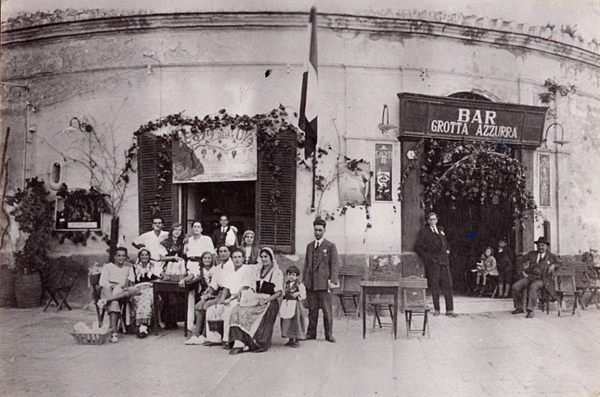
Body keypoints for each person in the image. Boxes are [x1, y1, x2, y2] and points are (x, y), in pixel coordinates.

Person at [228, 247, 284, 354]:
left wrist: (266, 300)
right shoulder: (258, 271)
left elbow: (279, 292)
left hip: (269, 302)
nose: (264, 259)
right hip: (256, 299)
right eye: (262, 257)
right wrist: (243, 292)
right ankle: (238, 341)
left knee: (247, 313)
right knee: (237, 310)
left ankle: (250, 343)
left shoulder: (276, 272)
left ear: (271, 258)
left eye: (266, 257)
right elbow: (252, 287)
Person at [206, 248, 255, 348]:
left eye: (239, 257)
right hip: (232, 298)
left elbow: (245, 288)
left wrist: (231, 299)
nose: (237, 259)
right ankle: (213, 338)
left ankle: (227, 340)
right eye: (235, 257)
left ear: (243, 258)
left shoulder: (247, 269)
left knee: (228, 311)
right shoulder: (231, 270)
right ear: (232, 259)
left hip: (243, 297)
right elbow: (226, 287)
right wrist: (222, 299)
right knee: (211, 310)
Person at [185, 245, 233, 345]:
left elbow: (227, 286)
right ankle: (196, 335)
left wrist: (222, 298)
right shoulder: (218, 268)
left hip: (228, 294)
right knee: (199, 305)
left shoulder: (231, 266)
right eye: (220, 251)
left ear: (229, 253)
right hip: (218, 292)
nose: (223, 253)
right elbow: (213, 285)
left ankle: (203, 335)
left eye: (225, 251)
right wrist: (205, 296)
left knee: (206, 306)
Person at [302, 218, 340, 343]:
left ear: (324, 231)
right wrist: (304, 281)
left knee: (326, 311)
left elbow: (334, 265)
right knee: (312, 310)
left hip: (324, 284)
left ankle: (328, 334)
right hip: (311, 284)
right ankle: (311, 333)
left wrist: (333, 280)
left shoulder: (330, 246)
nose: (317, 232)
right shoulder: (309, 247)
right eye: (316, 230)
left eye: (320, 230)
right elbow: (306, 265)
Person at [414, 212, 458, 317]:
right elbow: (417, 248)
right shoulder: (424, 232)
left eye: (434, 219)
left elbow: (446, 243)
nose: (433, 221)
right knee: (435, 285)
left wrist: (448, 250)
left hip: (444, 261)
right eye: (431, 219)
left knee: (448, 285)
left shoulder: (441, 229)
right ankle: (437, 309)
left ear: (437, 220)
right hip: (433, 263)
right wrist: (429, 258)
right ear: (428, 221)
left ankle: (450, 309)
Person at [511, 237, 561, 318]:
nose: (540, 247)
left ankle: (530, 310)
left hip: (543, 279)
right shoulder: (532, 254)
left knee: (532, 287)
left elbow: (560, 263)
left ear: (546, 246)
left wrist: (554, 265)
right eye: (539, 245)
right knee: (515, 287)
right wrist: (523, 271)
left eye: (543, 245)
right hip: (530, 277)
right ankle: (519, 307)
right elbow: (519, 260)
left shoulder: (551, 256)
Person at [97, 247, 135, 343]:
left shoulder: (129, 267)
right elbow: (102, 282)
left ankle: (106, 300)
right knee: (114, 302)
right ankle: (114, 333)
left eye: (123, 256)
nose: (121, 258)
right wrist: (111, 285)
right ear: (115, 257)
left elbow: (131, 282)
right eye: (119, 256)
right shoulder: (108, 267)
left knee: (129, 291)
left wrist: (125, 286)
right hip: (109, 289)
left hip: (121, 291)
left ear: (126, 257)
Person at [158, 223, 186, 329]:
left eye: (179, 230)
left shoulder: (182, 242)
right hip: (167, 268)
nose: (177, 232)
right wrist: (173, 258)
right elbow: (161, 258)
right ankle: (167, 320)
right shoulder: (165, 242)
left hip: (179, 270)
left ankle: (175, 320)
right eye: (175, 229)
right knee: (168, 294)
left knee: (177, 294)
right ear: (171, 230)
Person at [280, 265, 306, 348]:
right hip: (287, 304)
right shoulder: (285, 284)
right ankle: (290, 339)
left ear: (297, 276)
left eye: (293, 275)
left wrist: (298, 293)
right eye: (289, 274)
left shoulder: (299, 285)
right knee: (287, 321)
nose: (291, 276)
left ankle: (297, 339)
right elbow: (283, 293)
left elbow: (303, 294)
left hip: (295, 305)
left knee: (296, 321)